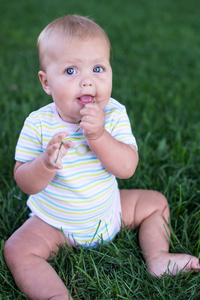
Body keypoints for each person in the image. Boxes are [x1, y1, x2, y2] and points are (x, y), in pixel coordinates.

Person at [4, 15, 200, 300]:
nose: (87, 82)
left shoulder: (115, 114)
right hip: (55, 224)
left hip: (110, 213)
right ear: (46, 82)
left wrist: (99, 136)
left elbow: (127, 168)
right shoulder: (38, 124)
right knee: (17, 249)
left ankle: (158, 258)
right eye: (71, 71)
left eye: (98, 68)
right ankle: (56, 295)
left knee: (155, 203)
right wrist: (44, 165)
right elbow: (24, 181)